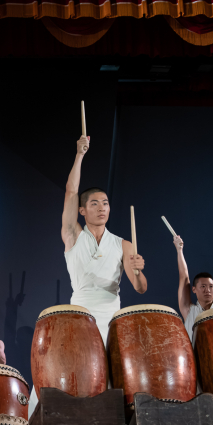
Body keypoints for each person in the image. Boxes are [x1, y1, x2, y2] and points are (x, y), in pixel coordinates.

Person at [61, 135, 147, 342]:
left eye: (105, 203)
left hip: (111, 319)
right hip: (80, 314)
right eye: (94, 203)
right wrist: (80, 154)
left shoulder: (123, 244)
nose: (102, 207)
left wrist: (139, 271)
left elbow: (140, 288)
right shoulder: (73, 235)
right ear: (82, 210)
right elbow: (71, 192)